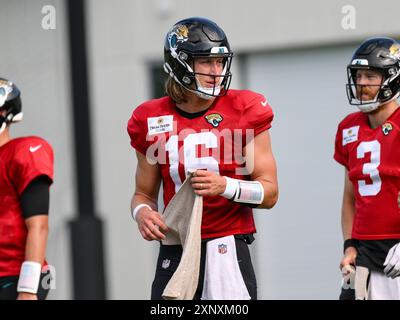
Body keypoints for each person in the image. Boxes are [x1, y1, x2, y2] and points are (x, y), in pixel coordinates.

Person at [127, 17, 278, 300]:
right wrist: (143, 214)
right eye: (206, 62)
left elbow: (269, 193)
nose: (216, 71)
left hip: (228, 246)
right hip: (177, 247)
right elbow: (142, 194)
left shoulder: (245, 108)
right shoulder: (149, 118)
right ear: (179, 63)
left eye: (220, 62)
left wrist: (226, 186)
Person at [334, 37, 400, 300]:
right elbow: (350, 197)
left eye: (370, 76)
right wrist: (349, 245)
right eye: (358, 75)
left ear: (392, 78)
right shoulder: (348, 127)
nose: (361, 83)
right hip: (365, 251)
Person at [0, 78, 54, 300]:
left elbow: (39, 226)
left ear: (5, 112)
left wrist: (28, 289)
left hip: (15, 275)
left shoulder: (23, 151)